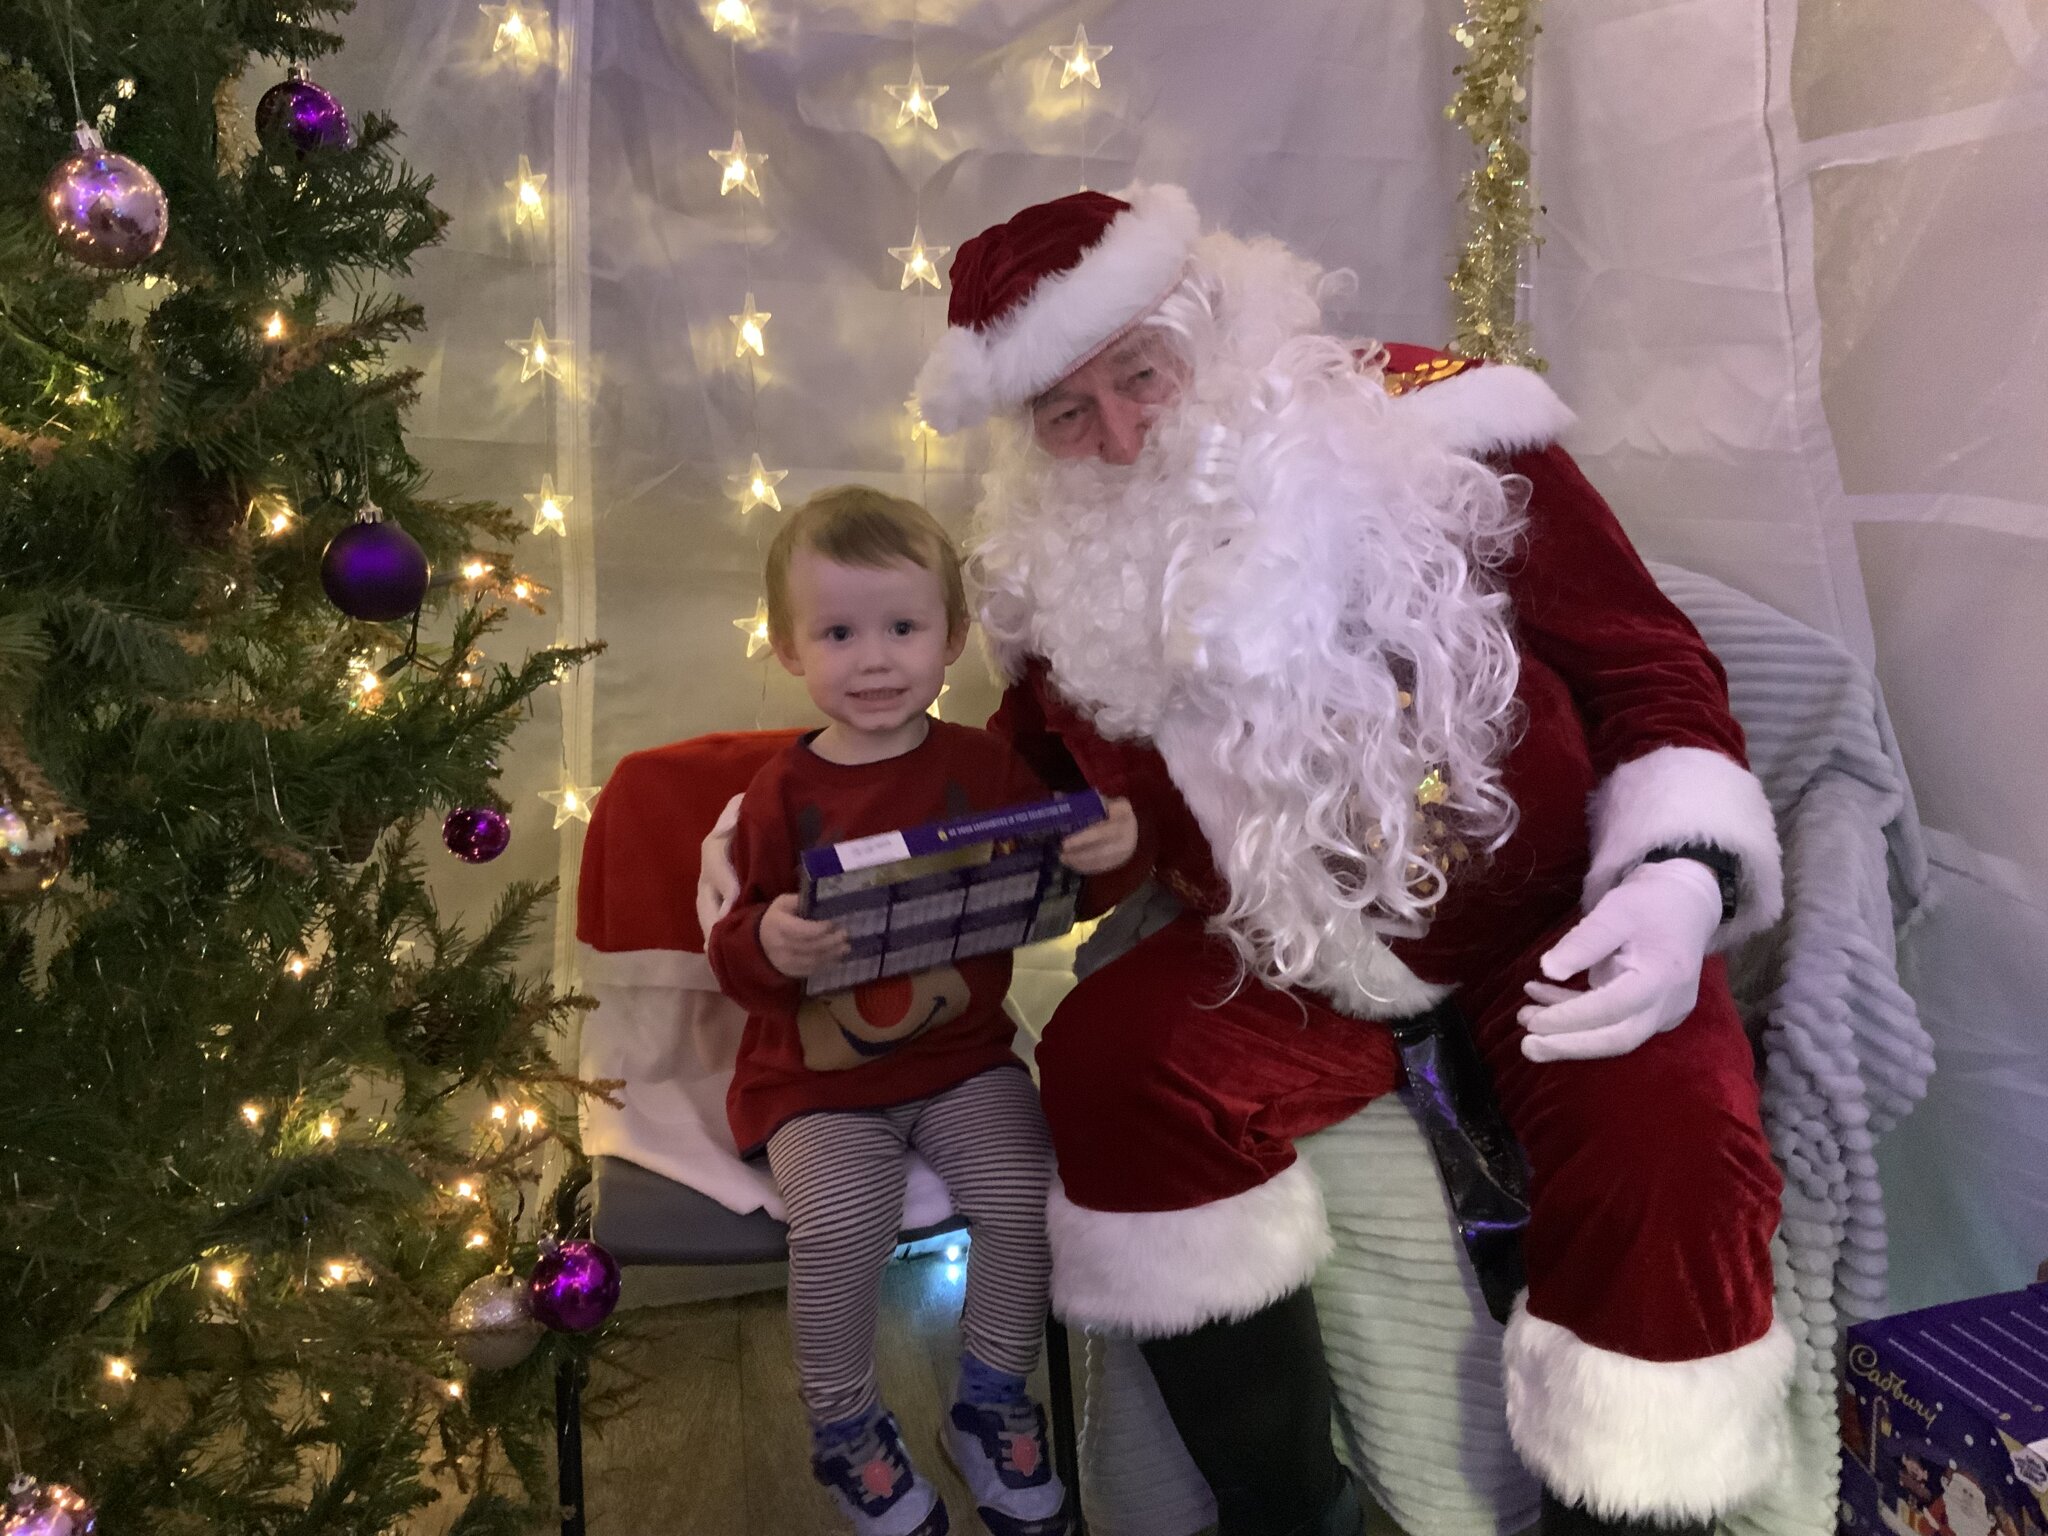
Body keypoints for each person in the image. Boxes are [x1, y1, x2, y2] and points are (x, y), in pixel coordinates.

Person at [911, 185, 1793, 1536]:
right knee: (1108, 1063)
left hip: (1544, 914)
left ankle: (1622, 1518)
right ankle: (1285, 1507)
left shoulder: (1444, 431)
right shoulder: (1051, 584)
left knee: (1674, 1144)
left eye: (1140, 375)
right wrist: (1082, 848)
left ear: (1207, 323)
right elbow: (1065, 814)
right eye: (1068, 414)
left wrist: (1677, 880)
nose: (1125, 435)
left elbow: (1648, 664)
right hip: (1285, 952)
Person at [705, 486, 1137, 1536]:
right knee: (843, 1225)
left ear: (951, 639)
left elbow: (1050, 892)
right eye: (839, 632)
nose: (873, 658)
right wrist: (765, 940)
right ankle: (845, 1426)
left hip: (961, 1060)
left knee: (1029, 1193)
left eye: (902, 628)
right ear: (787, 645)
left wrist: (1110, 856)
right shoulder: (777, 795)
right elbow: (733, 947)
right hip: (816, 1084)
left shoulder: (983, 768)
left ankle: (989, 1399)